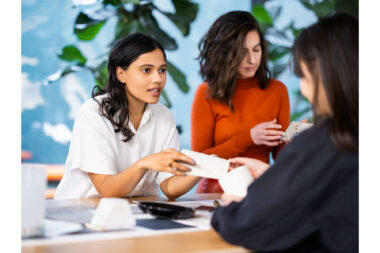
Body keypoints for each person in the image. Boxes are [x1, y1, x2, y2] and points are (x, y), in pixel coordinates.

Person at [211, 12, 358, 252]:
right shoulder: (207, 95)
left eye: (301, 76)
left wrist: (238, 209)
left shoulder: (324, 140)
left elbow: (247, 224)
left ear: (320, 74)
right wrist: (276, 175)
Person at [55, 33, 200, 200]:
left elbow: (168, 187)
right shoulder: (93, 113)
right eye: (147, 70)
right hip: (83, 211)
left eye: (162, 70)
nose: (158, 78)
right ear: (121, 74)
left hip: (135, 211)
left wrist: (204, 169)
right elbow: (107, 189)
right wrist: (144, 164)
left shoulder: (164, 116)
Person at [191, 11, 290, 193]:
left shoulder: (277, 90)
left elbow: (280, 157)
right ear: (224, 53)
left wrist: (293, 143)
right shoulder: (206, 93)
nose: (252, 60)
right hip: (216, 194)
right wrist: (248, 138)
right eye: (241, 52)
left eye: (256, 49)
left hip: (261, 192)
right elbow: (200, 161)